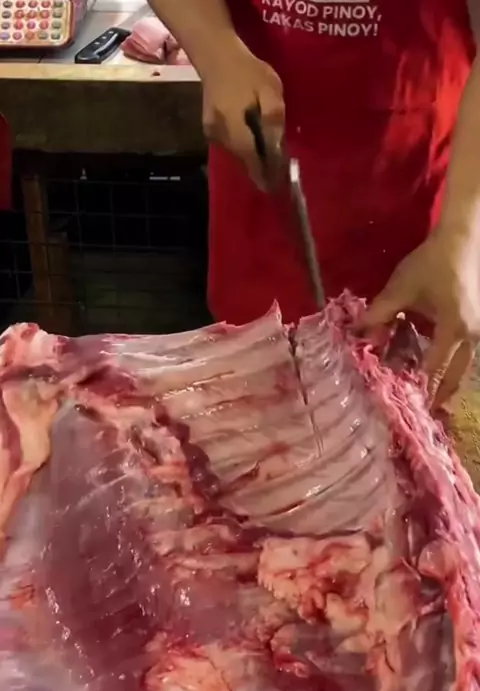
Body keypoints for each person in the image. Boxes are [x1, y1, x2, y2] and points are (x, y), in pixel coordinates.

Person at [148, 0, 480, 408]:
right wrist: (216, 50)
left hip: (425, 201)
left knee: (406, 399)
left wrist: (463, 234)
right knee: (260, 401)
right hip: (262, 175)